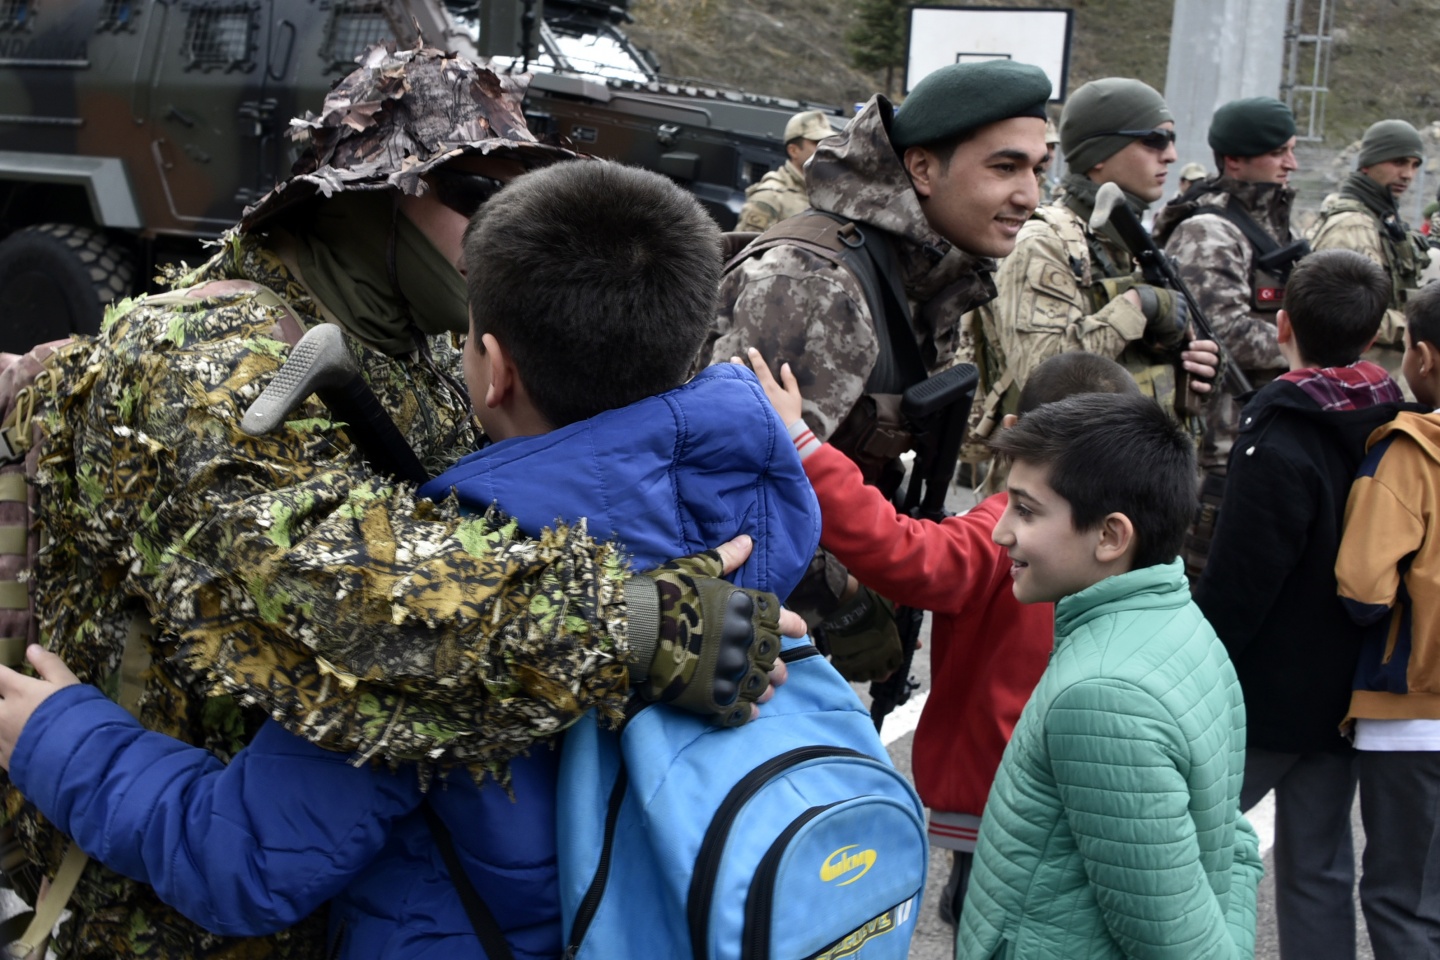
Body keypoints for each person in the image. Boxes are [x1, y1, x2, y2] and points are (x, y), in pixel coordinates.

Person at [0, 45, 788, 960]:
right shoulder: (207, 349)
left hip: (333, 888)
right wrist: (635, 623)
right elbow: (330, 590)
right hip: (166, 893)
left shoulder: (426, 356)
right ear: (369, 192)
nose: (502, 225)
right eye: (475, 192)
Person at [743, 345, 1139, 933]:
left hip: (999, 794)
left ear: (1012, 430)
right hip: (1086, 791)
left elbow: (904, 551)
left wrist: (802, 441)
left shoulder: (1009, 528)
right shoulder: (1125, 539)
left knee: (988, 925)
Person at [956, 391, 1261, 960]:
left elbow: (1180, 946)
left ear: (1111, 537)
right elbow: (1229, 838)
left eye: (1025, 510)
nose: (1000, 532)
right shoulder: (1180, 622)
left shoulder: (1102, 696)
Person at [1195, 249, 1413, 960]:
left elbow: (1243, 577)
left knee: (1185, 837)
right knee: (1318, 864)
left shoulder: (1281, 434)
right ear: (1376, 333)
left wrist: (1199, 661)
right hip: (1353, 685)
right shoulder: (1399, 423)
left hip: (1266, 691)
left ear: (1282, 323)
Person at [969, 77, 1217, 494]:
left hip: (1134, 482)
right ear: (1100, 154)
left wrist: (1197, 362)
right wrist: (1136, 305)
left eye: (1171, 141)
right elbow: (1042, 375)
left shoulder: (1129, 243)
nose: (1171, 155)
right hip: (1059, 491)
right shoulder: (1044, 242)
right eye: (1155, 140)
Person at [1153, 97, 1304, 578]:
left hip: (1262, 441)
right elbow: (1223, 332)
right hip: (1219, 455)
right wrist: (1310, 344)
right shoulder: (1209, 231)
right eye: (1278, 152)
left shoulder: (1274, 225)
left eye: (1291, 150)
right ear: (1234, 160)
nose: (1291, 164)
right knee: (1208, 589)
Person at [1334, 280, 1440, 960]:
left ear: (1422, 357)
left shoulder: (1409, 453)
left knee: (1404, 904)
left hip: (1414, 715)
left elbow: (1363, 587)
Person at [1309, 119, 1431, 351]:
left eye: (1415, 165)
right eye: (1398, 162)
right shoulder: (1352, 225)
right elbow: (1346, 313)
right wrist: (1419, 328)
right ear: (1367, 164)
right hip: (1360, 366)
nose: (1408, 174)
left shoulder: (1381, 219)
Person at [734, 109, 833, 232]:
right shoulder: (769, 198)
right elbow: (746, 243)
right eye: (817, 142)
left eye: (830, 142)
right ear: (794, 150)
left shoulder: (830, 193)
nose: (827, 148)